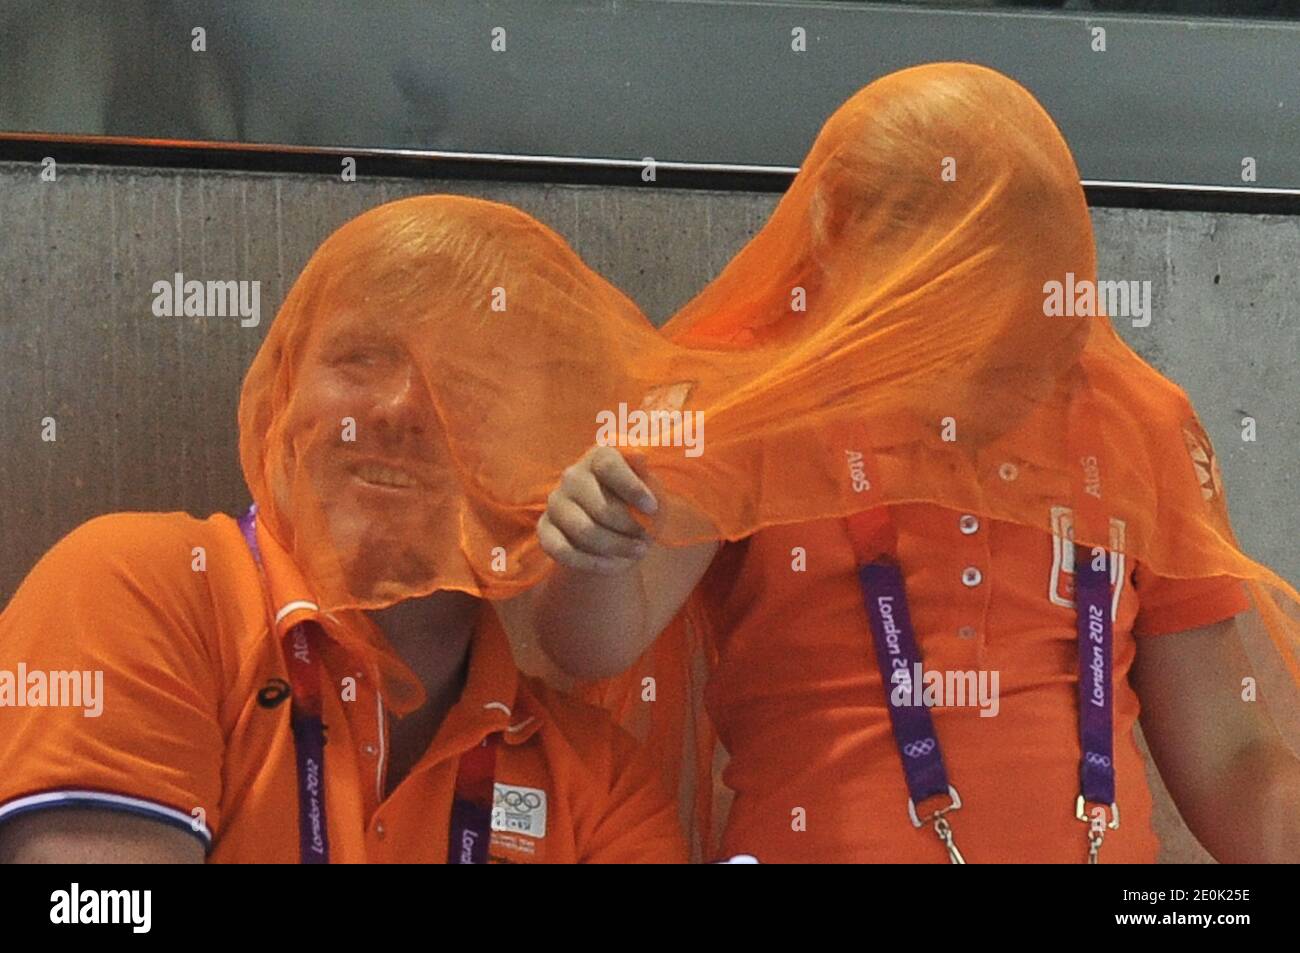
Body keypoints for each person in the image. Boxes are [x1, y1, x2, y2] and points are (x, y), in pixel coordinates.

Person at [526, 63, 1300, 863]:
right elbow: (590, 648)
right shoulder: (751, 398)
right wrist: (596, 553)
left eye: (1022, 342)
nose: (989, 386)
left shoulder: (1137, 419)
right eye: (947, 333)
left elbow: (1231, 760)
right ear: (842, 262)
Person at [0, 195, 686, 864]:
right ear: (285, 387)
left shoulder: (601, 782)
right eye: (362, 357)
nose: (398, 407)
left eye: (467, 379)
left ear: (544, 452)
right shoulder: (138, 588)